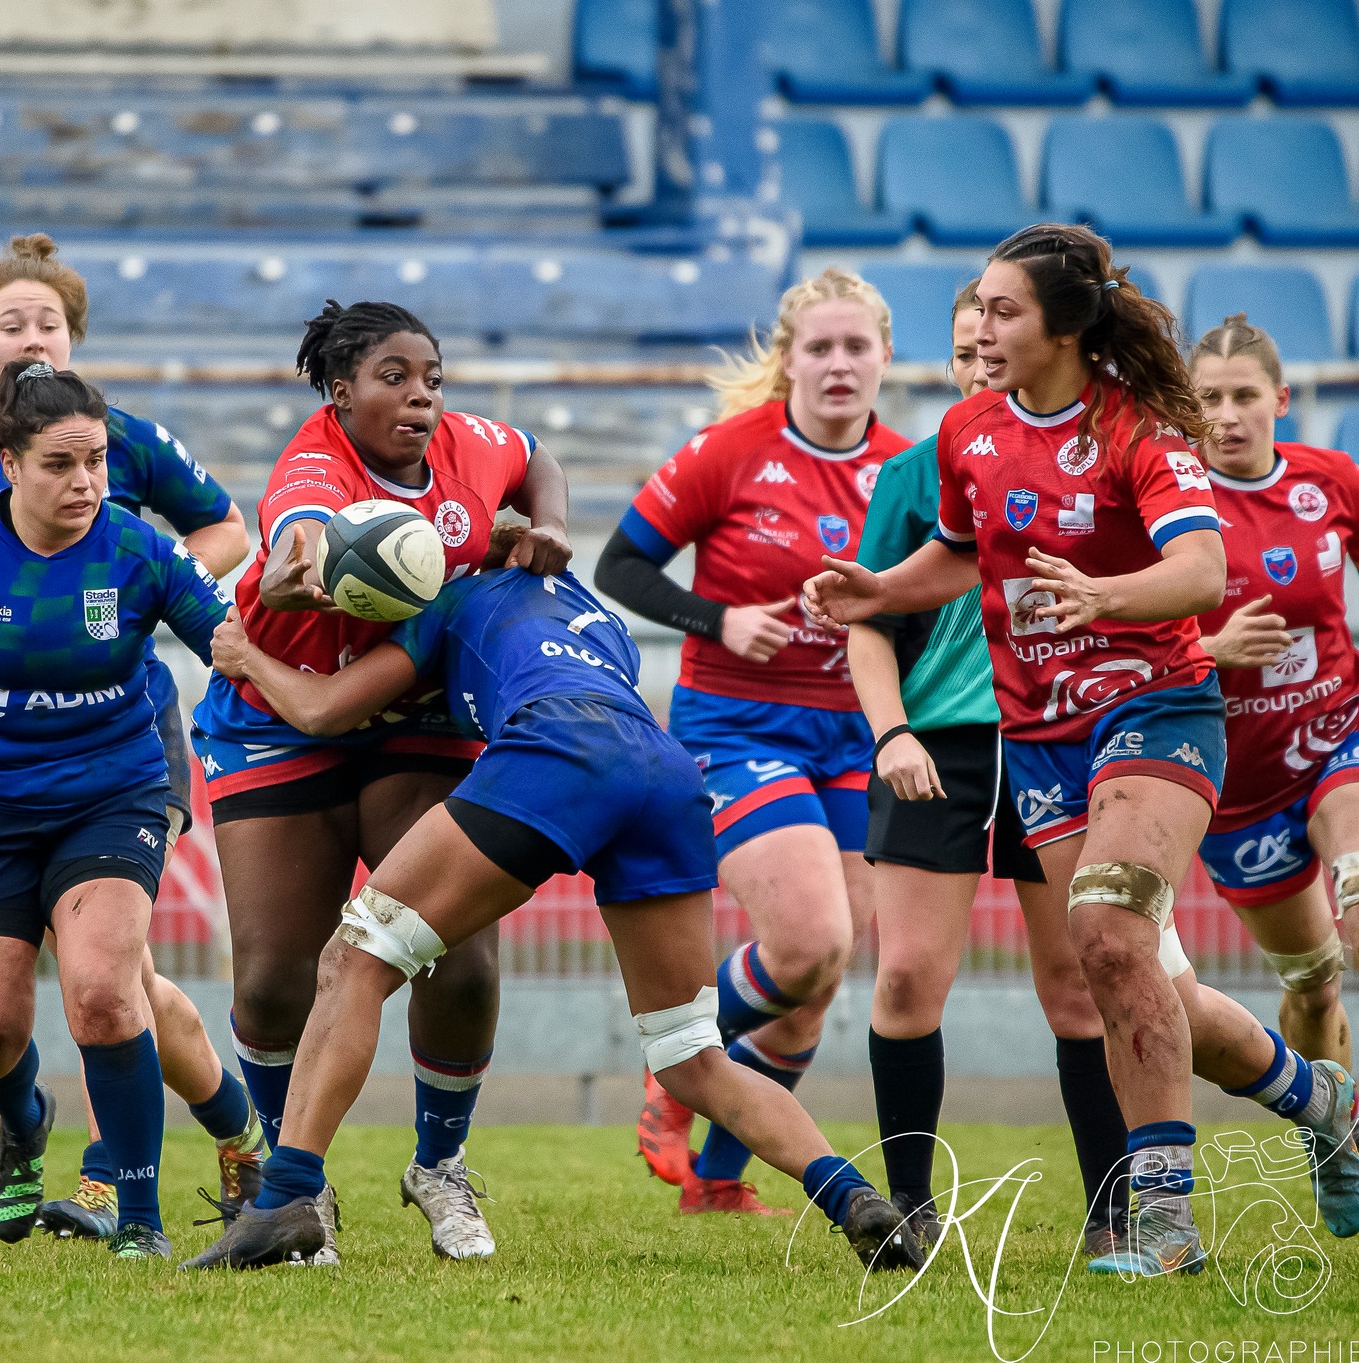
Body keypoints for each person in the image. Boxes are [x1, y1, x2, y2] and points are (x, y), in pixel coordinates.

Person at [804, 224, 1359, 1276]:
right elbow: (961, 554)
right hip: (1040, 741)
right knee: (1133, 972)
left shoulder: (1139, 425)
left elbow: (1199, 572)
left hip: (1157, 709)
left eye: (1002, 309)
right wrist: (878, 591)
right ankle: (1319, 1096)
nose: (980, 324)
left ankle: (1159, 1221)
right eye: (978, 305)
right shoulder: (968, 430)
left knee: (1108, 934)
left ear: (1062, 329)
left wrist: (1099, 596)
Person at [180, 568, 923, 1274]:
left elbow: (322, 708)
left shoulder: (451, 601)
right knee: (691, 1055)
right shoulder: (594, 615)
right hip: (663, 771)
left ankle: (285, 1200)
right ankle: (849, 1192)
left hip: (557, 749)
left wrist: (249, 655)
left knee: (357, 959)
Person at [0, 234, 261, 1238]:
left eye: (48, 322)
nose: (33, 338)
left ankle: (116, 1191)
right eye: (12, 324)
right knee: (53, 1008)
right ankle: (232, 1130)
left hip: (121, 743)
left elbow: (227, 531)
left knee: (103, 982)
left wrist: (144, 579)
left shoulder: (124, 445)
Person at [189, 299, 573, 1262]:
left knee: (461, 955)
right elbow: (300, 535)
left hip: (417, 719)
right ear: (340, 391)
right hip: (281, 712)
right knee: (275, 980)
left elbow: (534, 456)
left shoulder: (470, 448)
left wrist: (552, 526)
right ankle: (288, 1186)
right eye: (393, 377)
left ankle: (440, 1167)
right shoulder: (314, 464)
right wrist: (291, 567)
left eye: (432, 377)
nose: (420, 396)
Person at [596, 267, 907, 1212]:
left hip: (856, 731)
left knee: (820, 972)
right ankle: (678, 1064)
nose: (840, 364)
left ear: (886, 357)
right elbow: (620, 564)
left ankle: (720, 1183)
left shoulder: (911, 468)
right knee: (808, 938)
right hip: (736, 723)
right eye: (820, 347)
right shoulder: (727, 452)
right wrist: (717, 618)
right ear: (789, 360)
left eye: (857, 346)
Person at [848, 281, 1131, 1257]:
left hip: (1059, 739)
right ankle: (910, 1213)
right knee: (904, 981)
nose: (980, 364)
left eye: (995, 344)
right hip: (937, 749)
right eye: (965, 351)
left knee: (1077, 984)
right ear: (948, 363)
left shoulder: (1096, 467)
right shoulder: (910, 475)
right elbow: (867, 626)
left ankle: (1113, 1217)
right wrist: (891, 735)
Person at [1188, 314, 1359, 1095]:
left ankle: (1356, 875)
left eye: (1244, 396)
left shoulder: (1330, 480)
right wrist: (1210, 650)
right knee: (1315, 982)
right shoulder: (1169, 508)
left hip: (1336, 727)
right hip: (1238, 786)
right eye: (1209, 399)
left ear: (1281, 399)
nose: (1227, 415)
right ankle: (1336, 1134)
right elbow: (1123, 648)